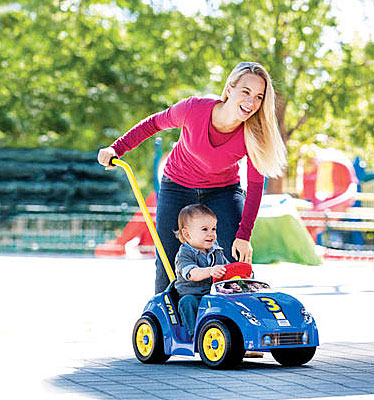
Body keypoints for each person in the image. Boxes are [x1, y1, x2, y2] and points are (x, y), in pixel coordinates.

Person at [98, 61, 287, 294]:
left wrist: (244, 235)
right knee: (167, 259)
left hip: (223, 191)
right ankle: (168, 322)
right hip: (177, 186)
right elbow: (154, 124)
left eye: (259, 97)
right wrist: (117, 148)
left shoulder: (254, 134)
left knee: (234, 257)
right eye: (245, 92)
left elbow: (256, 187)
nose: (251, 103)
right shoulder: (194, 110)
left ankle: (233, 319)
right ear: (229, 89)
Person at [173, 204, 228, 337]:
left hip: (214, 295)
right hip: (194, 295)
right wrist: (210, 271)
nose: (211, 234)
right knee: (188, 302)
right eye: (205, 229)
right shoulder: (184, 255)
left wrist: (241, 272)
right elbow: (192, 273)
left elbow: (228, 269)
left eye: (213, 229)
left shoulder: (217, 252)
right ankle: (195, 335)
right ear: (187, 234)